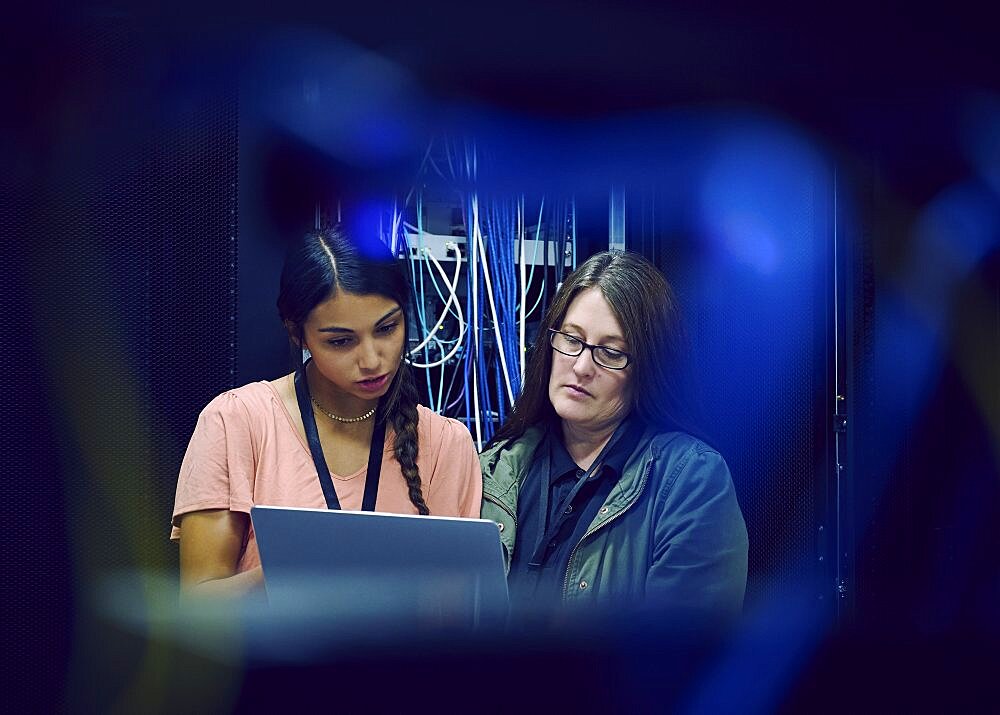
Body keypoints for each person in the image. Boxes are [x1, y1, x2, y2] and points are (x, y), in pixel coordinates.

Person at [171, 224, 483, 597]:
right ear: (297, 334)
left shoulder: (447, 444)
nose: (371, 360)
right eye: (340, 341)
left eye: (387, 328)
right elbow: (199, 606)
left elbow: (453, 616)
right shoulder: (236, 422)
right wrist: (307, 564)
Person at [480, 250, 748, 622]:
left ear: (650, 368)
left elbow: (681, 656)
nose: (581, 366)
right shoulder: (497, 469)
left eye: (610, 352)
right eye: (571, 339)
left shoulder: (692, 481)